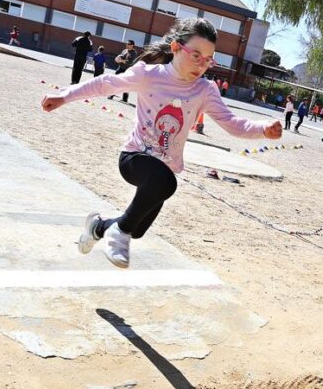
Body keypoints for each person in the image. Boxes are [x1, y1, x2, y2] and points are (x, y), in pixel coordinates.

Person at [41, 18, 282, 268]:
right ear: (176, 47)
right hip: (135, 157)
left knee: (137, 228)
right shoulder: (148, 75)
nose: (201, 64)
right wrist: (64, 96)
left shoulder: (205, 90)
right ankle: (118, 233)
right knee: (165, 184)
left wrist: (263, 129)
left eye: (208, 59)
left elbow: (231, 123)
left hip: (163, 168)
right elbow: (104, 84)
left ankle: (98, 227)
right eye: (196, 55)